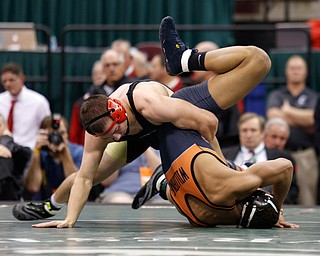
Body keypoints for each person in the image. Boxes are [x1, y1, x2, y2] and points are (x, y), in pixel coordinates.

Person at [14, 16, 295, 228]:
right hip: (142, 135)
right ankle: (50, 205)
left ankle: (186, 59)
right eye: (109, 136)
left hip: (174, 119)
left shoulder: (149, 102)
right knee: (91, 173)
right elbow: (86, 177)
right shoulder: (101, 130)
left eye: (116, 130)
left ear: (118, 111)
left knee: (259, 60)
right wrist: (69, 221)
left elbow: (208, 123)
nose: (114, 137)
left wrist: (221, 165)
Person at [266, 55, 319, 205]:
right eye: (292, 68)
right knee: (275, 195)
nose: (295, 71)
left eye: (299, 68)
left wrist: (287, 111)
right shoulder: (277, 95)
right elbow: (273, 115)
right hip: (279, 153)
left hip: (304, 154)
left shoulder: (313, 96)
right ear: (286, 72)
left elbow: (313, 119)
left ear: (306, 72)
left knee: (307, 198)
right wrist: (302, 118)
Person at [222, 112, 298, 204]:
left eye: (253, 130)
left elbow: (292, 190)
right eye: (245, 130)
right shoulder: (224, 155)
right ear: (239, 132)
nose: (249, 135)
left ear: (263, 133)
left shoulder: (281, 157)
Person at [191, 41, 240, 148]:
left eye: (196, 60)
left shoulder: (228, 95)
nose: (192, 66)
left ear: (210, 62)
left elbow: (232, 136)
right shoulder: (188, 89)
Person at [23, 114, 83, 201]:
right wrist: (36, 151)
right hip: (43, 204)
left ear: (67, 134)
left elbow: (78, 187)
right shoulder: (39, 153)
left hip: (70, 203)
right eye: (52, 134)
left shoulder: (78, 152)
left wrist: (65, 153)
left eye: (61, 133)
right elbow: (33, 187)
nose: (56, 138)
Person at [0, 62, 51, 149]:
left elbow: (47, 129)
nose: (7, 84)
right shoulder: (1, 100)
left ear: (22, 79)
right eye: (4, 81)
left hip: (29, 151)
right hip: (4, 151)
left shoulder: (39, 102)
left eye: (11, 80)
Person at [96, 148, 162, 204]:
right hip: (120, 192)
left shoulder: (160, 144)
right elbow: (106, 181)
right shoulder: (117, 145)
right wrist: (117, 152)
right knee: (123, 203)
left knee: (164, 206)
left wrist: (145, 146)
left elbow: (165, 176)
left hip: (155, 196)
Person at [69, 60, 107, 145]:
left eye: (102, 73)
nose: (99, 76)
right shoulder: (80, 103)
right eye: (95, 73)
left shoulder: (115, 97)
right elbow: (74, 134)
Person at [0, 114, 31, 200]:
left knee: (5, 159)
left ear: (6, 127)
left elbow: (27, 154)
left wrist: (6, 141)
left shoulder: (16, 149)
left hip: (10, 198)